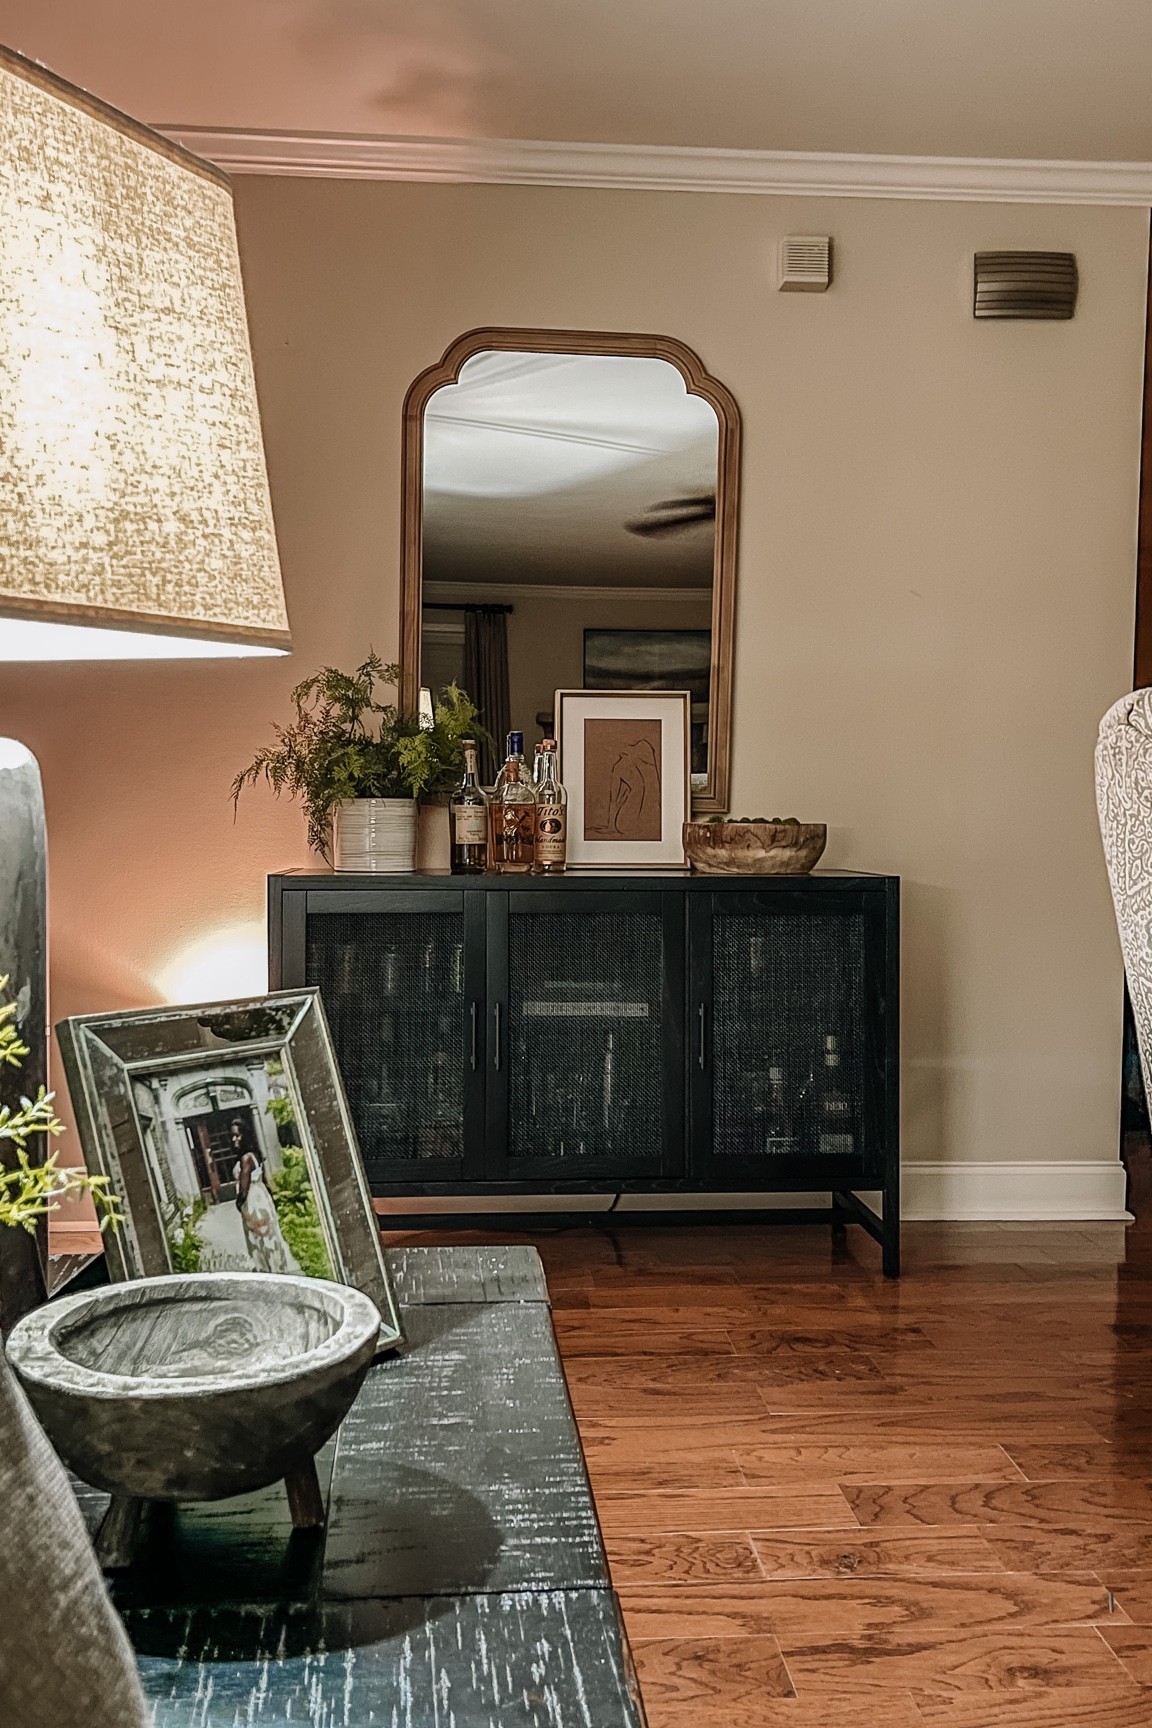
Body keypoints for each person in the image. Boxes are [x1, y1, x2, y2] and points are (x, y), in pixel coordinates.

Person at [230, 1117, 300, 1274]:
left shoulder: (246, 1159)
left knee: (258, 1237)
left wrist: (240, 1203)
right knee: (268, 1234)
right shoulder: (255, 1154)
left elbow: (243, 1186)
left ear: (245, 1136)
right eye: (233, 1136)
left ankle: (267, 1269)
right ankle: (276, 1266)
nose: (234, 1139)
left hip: (252, 1201)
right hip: (261, 1196)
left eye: (238, 1135)